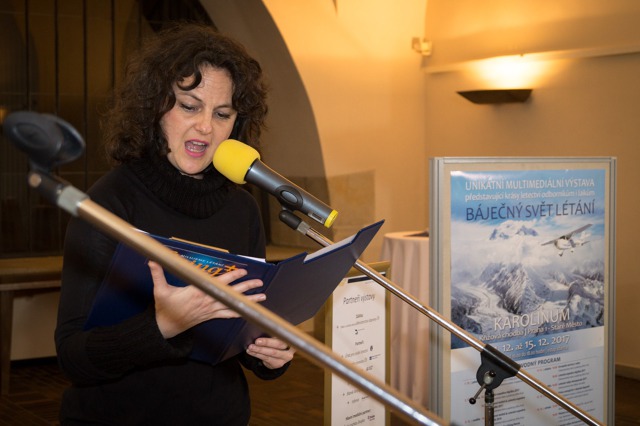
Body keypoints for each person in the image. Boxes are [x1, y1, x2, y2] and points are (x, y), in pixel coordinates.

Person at [55, 23, 295, 425]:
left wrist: (271, 354)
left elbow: (245, 328)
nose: (206, 126)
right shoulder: (108, 202)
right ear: (155, 106)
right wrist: (163, 326)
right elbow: (73, 356)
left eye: (222, 113)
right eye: (189, 106)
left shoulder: (243, 209)